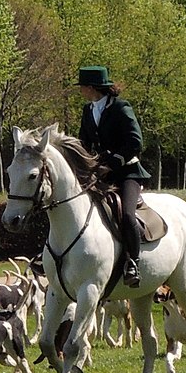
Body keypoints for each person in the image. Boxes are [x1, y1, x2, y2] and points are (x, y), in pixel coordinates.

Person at [76, 65, 149, 286]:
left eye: (82, 87)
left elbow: (135, 142)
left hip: (127, 172)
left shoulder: (121, 107)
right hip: (101, 174)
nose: (80, 91)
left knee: (127, 215)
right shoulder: (88, 111)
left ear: (91, 87)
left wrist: (114, 159)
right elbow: (83, 143)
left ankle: (133, 262)